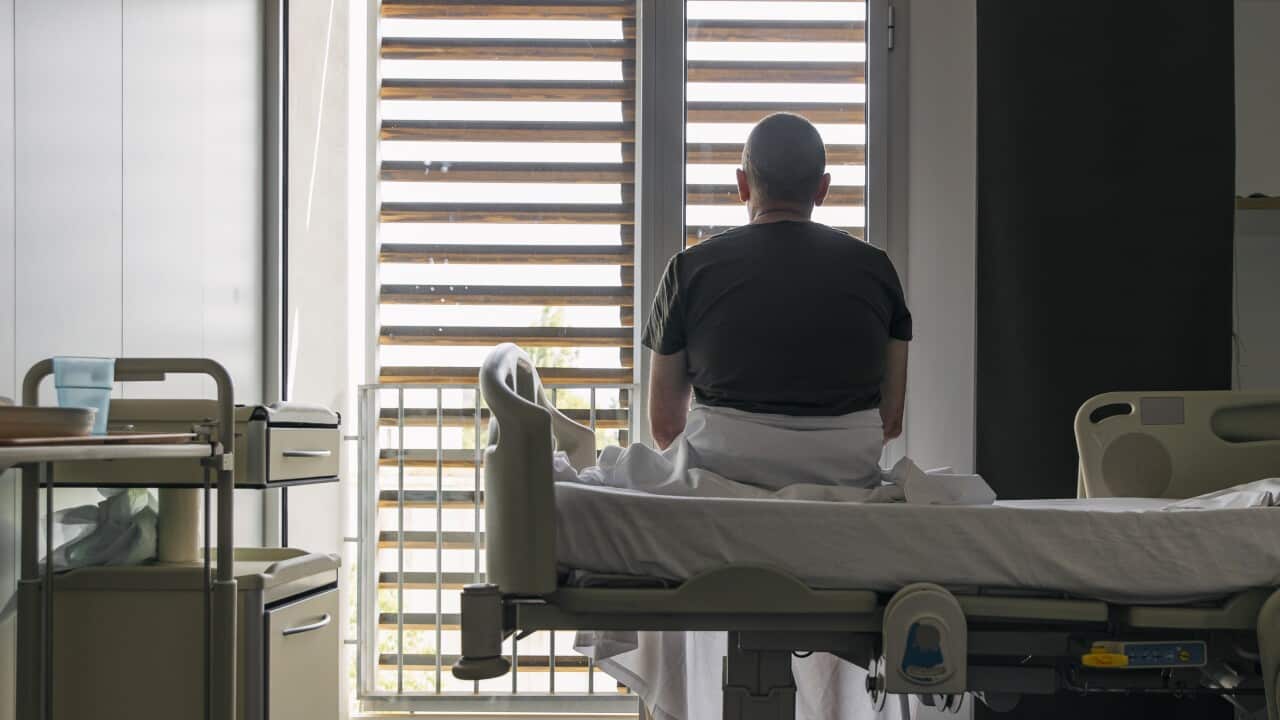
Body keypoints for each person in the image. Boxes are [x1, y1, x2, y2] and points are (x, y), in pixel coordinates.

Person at [642, 112, 911, 487]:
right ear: (822, 188)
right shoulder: (878, 270)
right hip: (844, 478)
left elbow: (665, 427)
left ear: (742, 184)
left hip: (719, 480)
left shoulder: (687, 269)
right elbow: (891, 421)